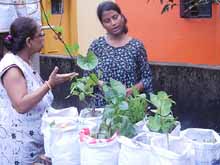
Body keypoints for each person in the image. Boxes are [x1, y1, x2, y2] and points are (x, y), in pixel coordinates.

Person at [0, 17, 78, 164]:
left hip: (31, 144)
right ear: (29, 42)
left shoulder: (24, 62)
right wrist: (49, 84)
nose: (44, 38)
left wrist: (53, 83)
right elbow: (21, 105)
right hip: (19, 147)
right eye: (41, 34)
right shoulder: (12, 67)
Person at [85, 1, 153, 107]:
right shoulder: (96, 46)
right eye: (107, 21)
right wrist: (100, 84)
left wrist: (132, 90)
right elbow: (87, 76)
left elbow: (147, 78)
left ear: (121, 16)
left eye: (115, 17)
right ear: (103, 25)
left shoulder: (136, 46)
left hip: (130, 107)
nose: (113, 23)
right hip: (102, 108)